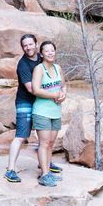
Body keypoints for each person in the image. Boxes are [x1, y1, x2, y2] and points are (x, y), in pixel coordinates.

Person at [4, 33, 40, 183]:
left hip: (40, 102)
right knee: (21, 136)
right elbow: (31, 89)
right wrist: (53, 94)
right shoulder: (23, 64)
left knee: (44, 134)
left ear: (36, 44)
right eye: (25, 45)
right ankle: (10, 169)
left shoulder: (42, 59)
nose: (28, 48)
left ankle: (45, 163)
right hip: (25, 101)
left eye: (30, 44)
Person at [28, 40, 64, 186]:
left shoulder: (58, 68)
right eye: (47, 51)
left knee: (50, 144)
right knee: (43, 143)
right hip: (42, 111)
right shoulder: (39, 69)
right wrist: (54, 95)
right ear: (41, 53)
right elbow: (36, 90)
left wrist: (63, 95)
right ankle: (44, 175)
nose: (50, 53)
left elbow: (64, 86)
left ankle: (48, 170)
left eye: (52, 50)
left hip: (56, 111)